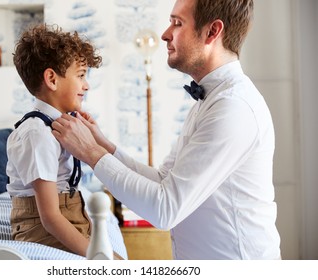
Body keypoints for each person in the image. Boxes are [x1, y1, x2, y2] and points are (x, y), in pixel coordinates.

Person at [52, 0, 282, 260]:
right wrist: (104, 146)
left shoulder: (233, 107)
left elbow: (165, 209)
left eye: (177, 23)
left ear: (212, 32)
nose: (165, 34)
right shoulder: (209, 100)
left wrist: (91, 153)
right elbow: (164, 180)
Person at [6, 23, 104, 258]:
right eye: (81, 75)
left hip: (66, 218)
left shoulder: (61, 126)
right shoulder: (37, 133)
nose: (86, 85)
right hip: (42, 229)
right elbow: (50, 218)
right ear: (51, 78)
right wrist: (97, 256)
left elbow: (68, 190)